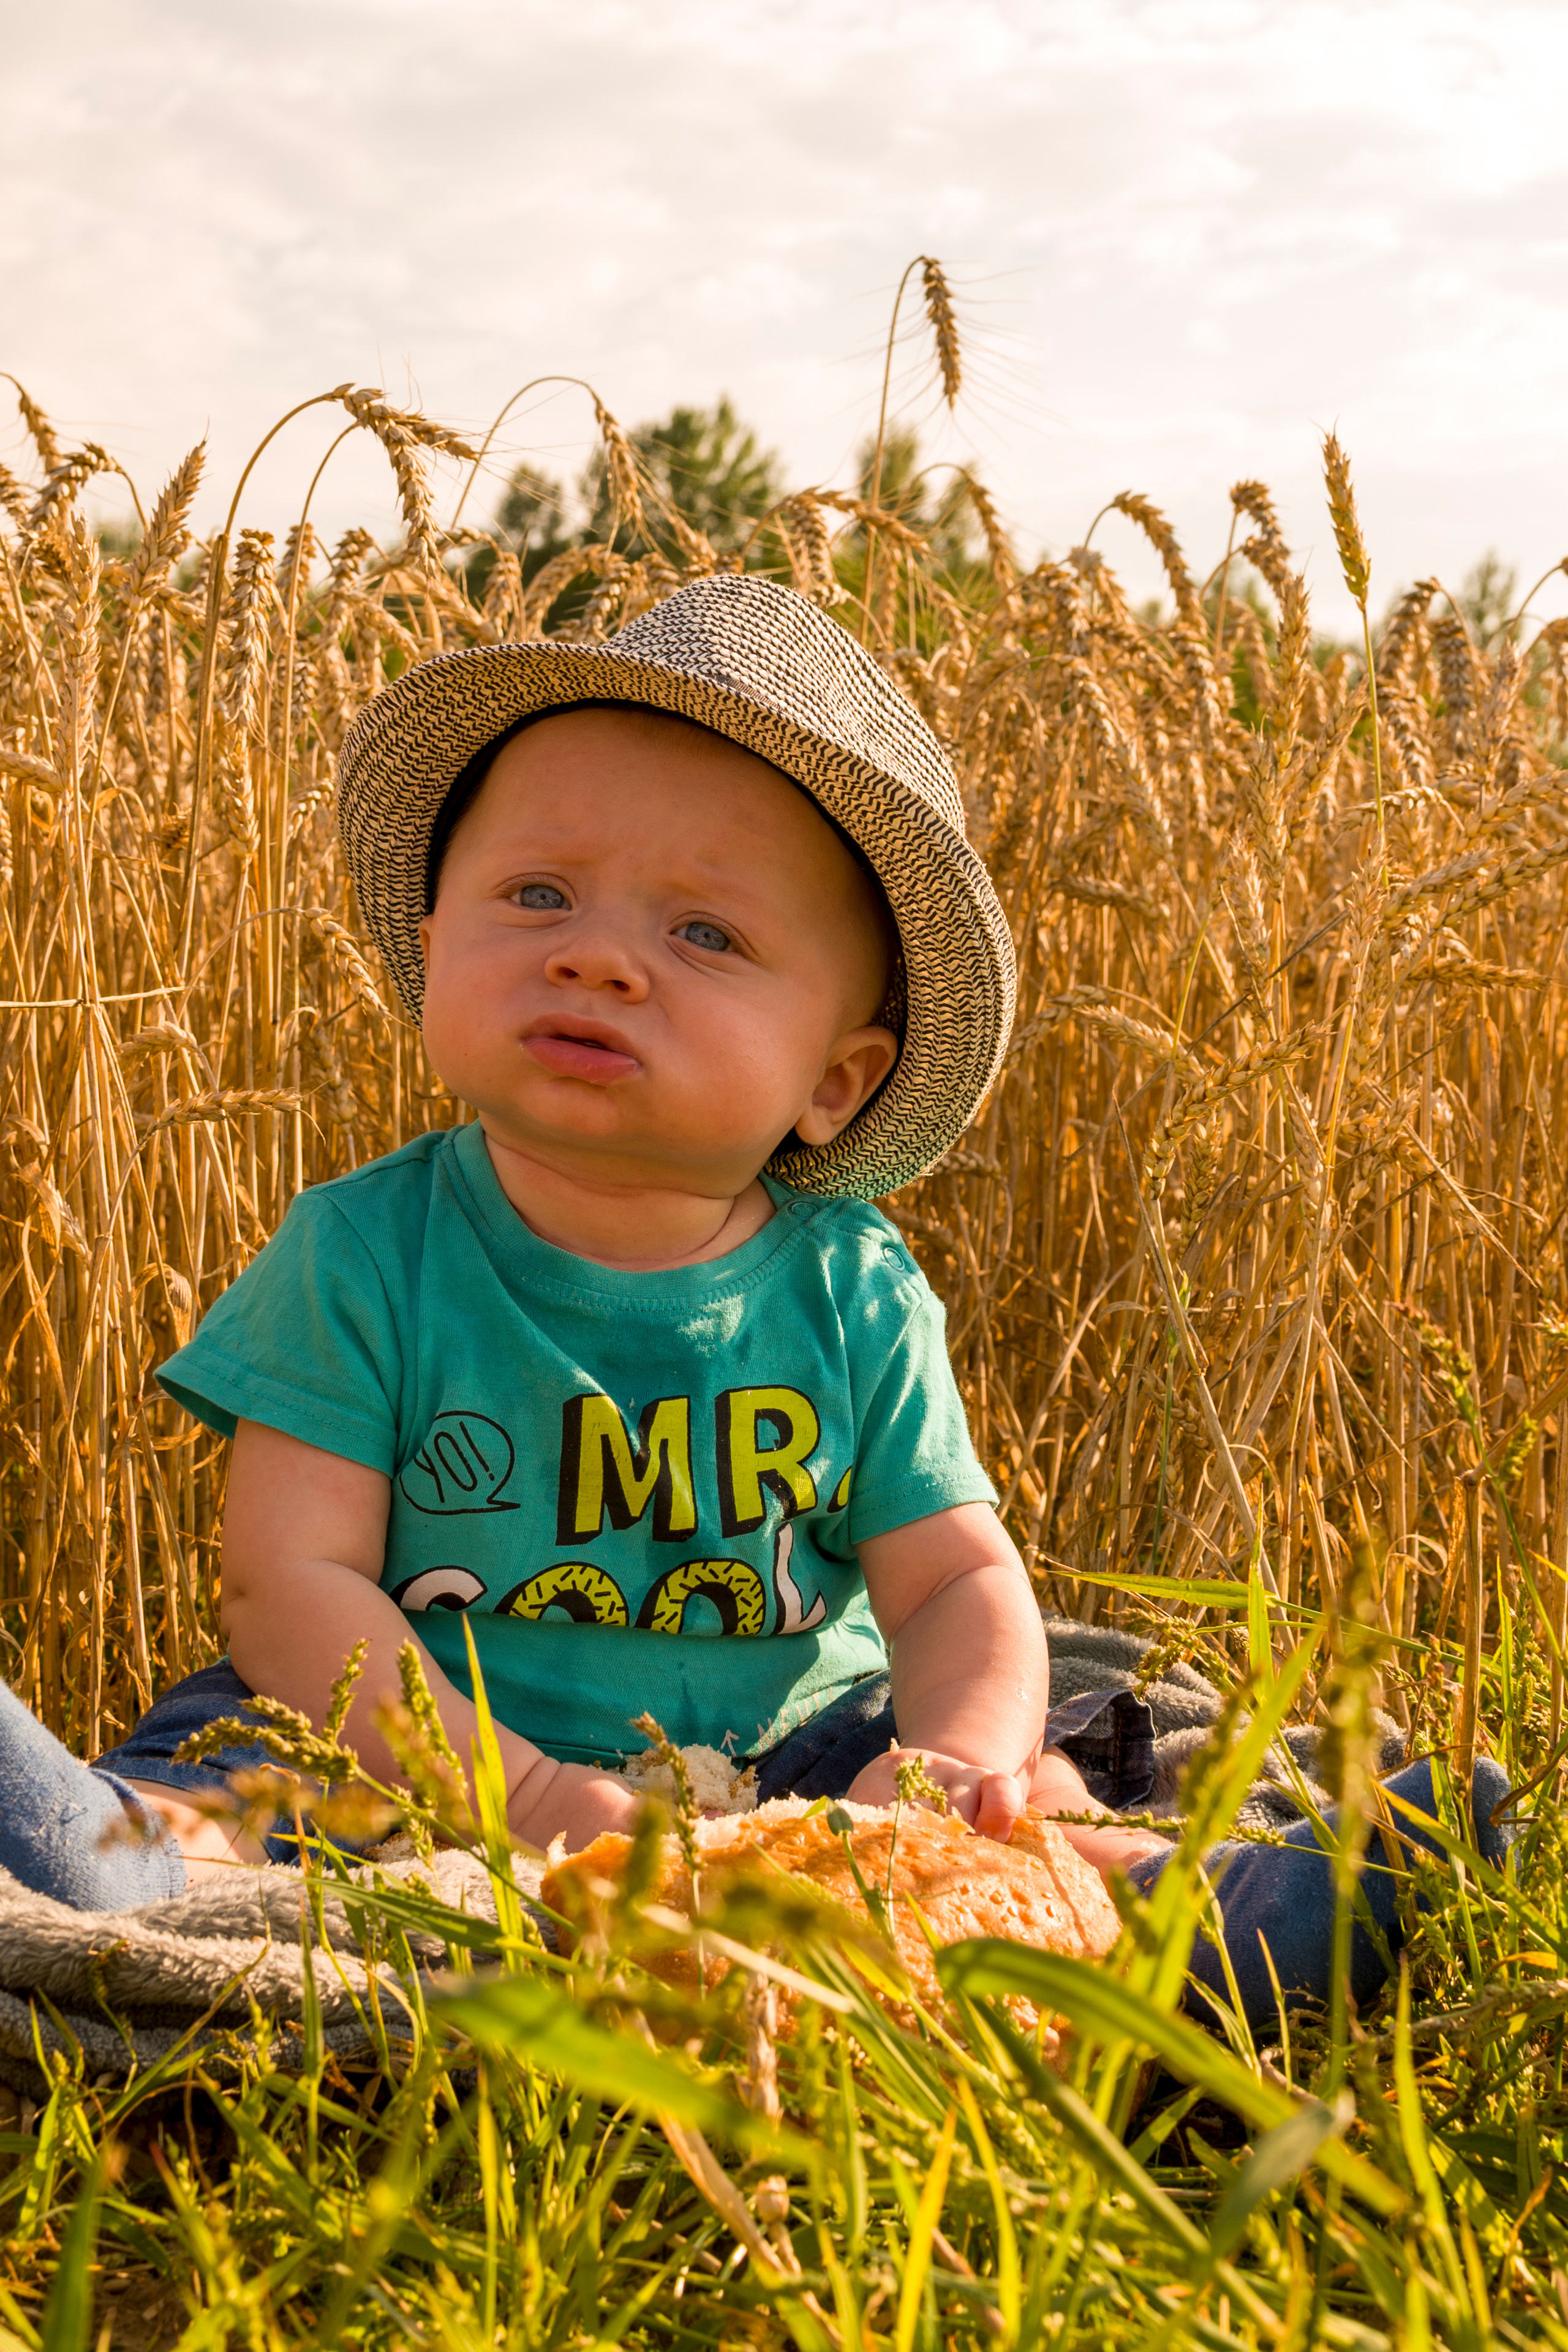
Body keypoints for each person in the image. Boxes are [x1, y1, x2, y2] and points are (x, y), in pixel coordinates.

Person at [0, 575, 1511, 2037]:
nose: (594, 954)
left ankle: (1227, 1898)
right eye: (536, 894)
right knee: (183, 1841)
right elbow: (293, 1591)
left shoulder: (850, 1287)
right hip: (404, 1757)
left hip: (789, 1766)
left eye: (705, 935)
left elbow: (950, 1580)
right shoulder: (363, 1251)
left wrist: (951, 1761)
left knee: (1009, 1833)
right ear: (434, 939)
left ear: (832, 1082)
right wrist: (531, 1802)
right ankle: (95, 1854)